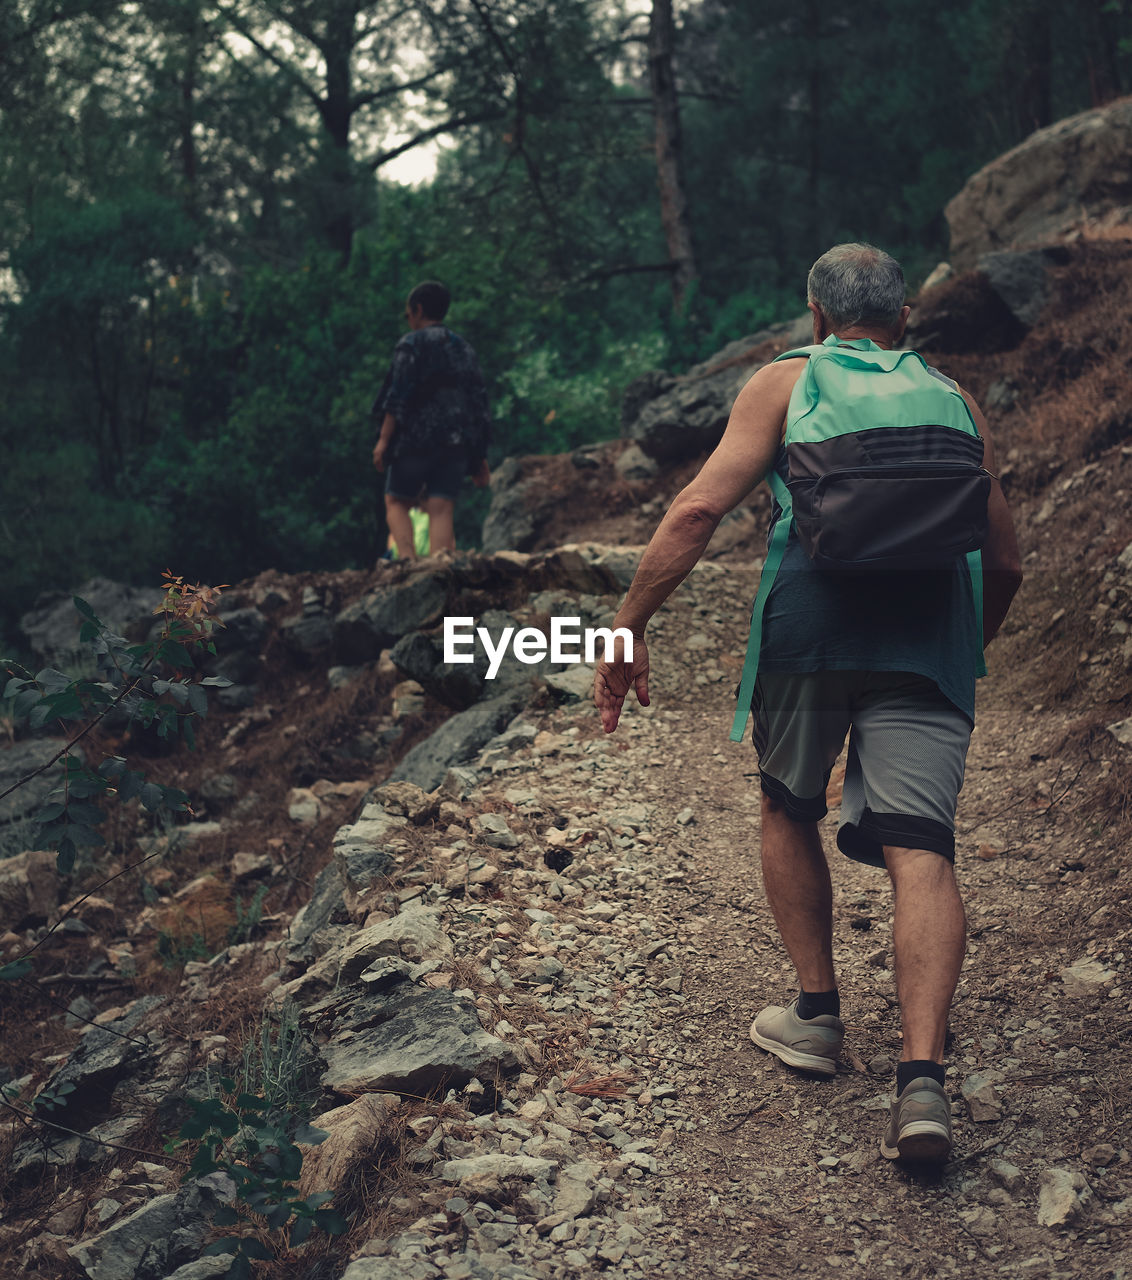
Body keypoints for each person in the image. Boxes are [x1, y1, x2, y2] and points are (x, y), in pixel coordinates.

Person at [593, 243, 1022, 1163]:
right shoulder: (955, 400)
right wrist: (957, 650)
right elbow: (1009, 560)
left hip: (807, 636)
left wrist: (627, 625)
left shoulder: (788, 380)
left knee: (787, 805)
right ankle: (920, 1085)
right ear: (903, 319)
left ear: (816, 317)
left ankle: (818, 1015)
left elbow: (697, 511)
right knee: (924, 850)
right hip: (928, 640)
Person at [371, 280, 492, 557]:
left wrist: (383, 440)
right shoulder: (464, 349)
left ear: (418, 309)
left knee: (396, 500)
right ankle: (438, 568)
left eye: (408, 313)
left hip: (415, 440)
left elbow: (397, 396)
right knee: (441, 506)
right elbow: (479, 402)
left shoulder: (410, 344)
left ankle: (407, 562)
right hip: (456, 442)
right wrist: (479, 453)